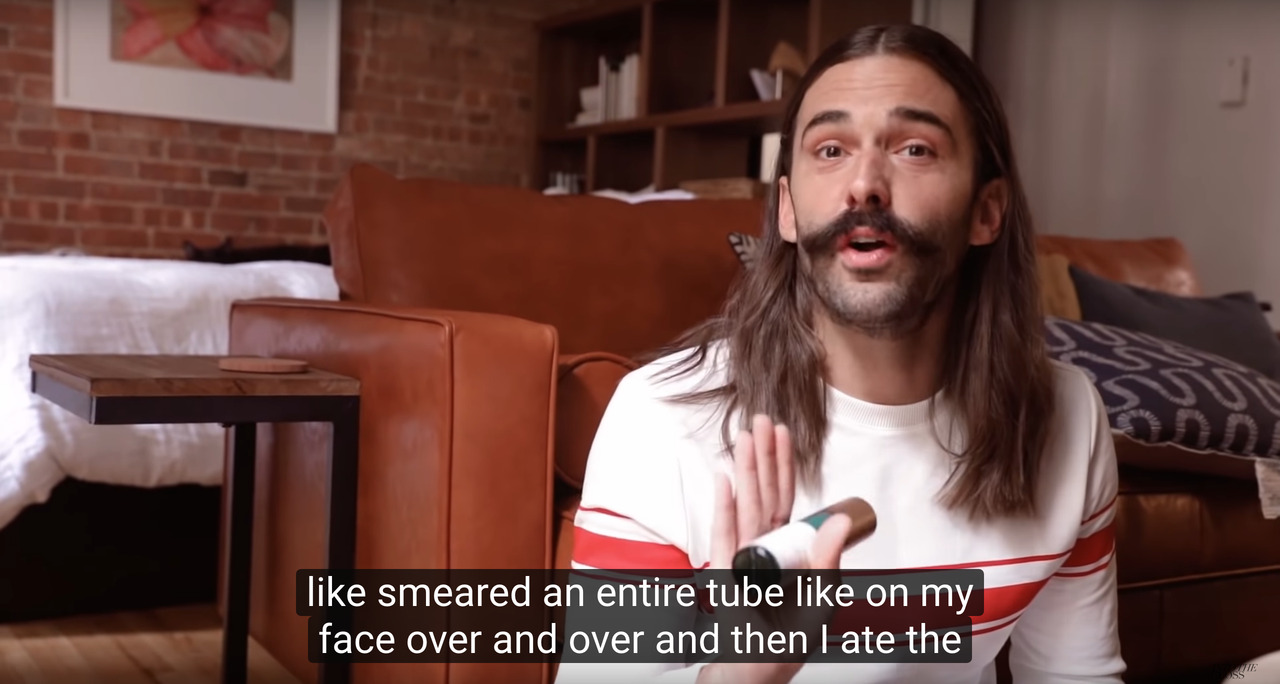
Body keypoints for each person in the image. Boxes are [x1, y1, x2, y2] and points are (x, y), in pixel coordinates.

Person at [557, 23, 1124, 684]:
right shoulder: (663, 418)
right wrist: (741, 673)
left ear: (986, 211)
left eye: (914, 149)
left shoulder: (1066, 416)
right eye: (830, 150)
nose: (864, 186)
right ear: (788, 209)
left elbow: (1073, 677)